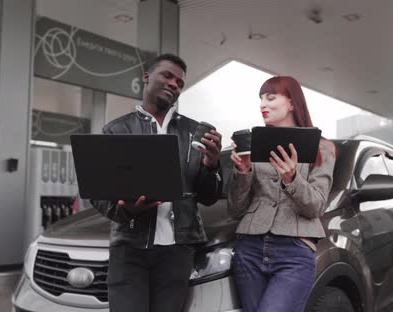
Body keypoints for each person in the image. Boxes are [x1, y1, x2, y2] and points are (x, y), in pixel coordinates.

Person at [91, 53, 223, 312]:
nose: (174, 84)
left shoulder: (194, 132)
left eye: (180, 82)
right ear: (147, 76)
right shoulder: (116, 131)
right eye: (167, 75)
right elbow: (99, 194)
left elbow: (208, 197)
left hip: (178, 251)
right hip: (129, 249)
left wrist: (212, 164)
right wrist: (127, 211)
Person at [228, 76, 336, 312]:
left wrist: (292, 179)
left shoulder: (323, 148)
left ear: (291, 103)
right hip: (249, 249)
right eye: (260, 99)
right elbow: (235, 209)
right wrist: (243, 171)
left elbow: (316, 206)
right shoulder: (252, 144)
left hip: (294, 253)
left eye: (270, 97)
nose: (262, 105)